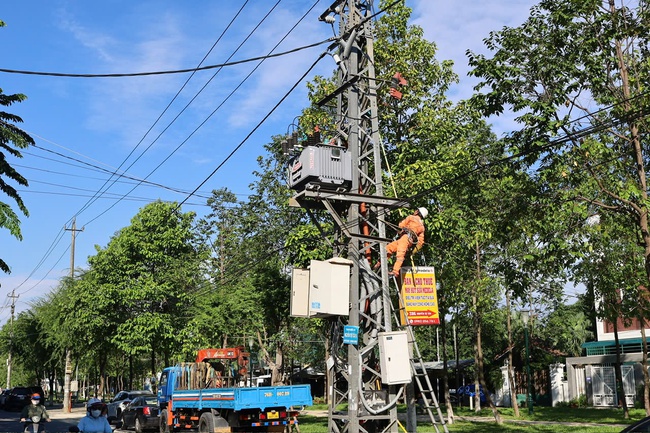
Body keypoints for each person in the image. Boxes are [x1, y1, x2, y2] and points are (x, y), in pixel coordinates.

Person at [385, 207, 428, 276]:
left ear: (417, 212)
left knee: (399, 254)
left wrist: (402, 229)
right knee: (389, 247)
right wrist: (413, 252)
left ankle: (395, 271)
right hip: (408, 241)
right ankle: (380, 263)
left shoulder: (411, 217)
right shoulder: (422, 227)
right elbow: (420, 243)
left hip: (405, 238)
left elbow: (401, 225)